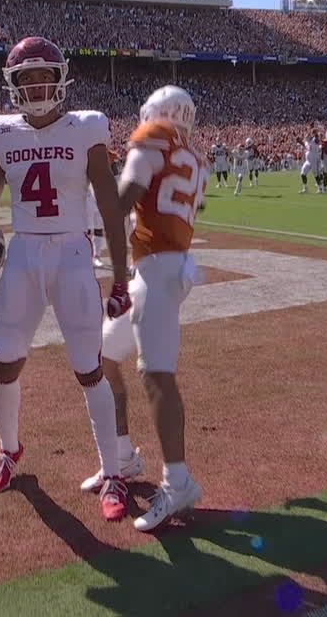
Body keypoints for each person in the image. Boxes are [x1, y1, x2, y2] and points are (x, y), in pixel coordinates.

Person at [0, 36, 134, 521]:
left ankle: (113, 472)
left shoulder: (85, 129)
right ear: (12, 85)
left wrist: (117, 276)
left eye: (42, 77)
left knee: (88, 367)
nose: (34, 87)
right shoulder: (2, 133)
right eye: (25, 79)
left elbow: (110, 206)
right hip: (24, 254)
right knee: (4, 361)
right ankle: (9, 450)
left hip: (72, 251)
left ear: (60, 79)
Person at [88, 85, 207, 531]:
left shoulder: (152, 138)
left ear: (155, 114)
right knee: (103, 357)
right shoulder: (194, 158)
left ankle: (178, 482)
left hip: (158, 272)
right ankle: (122, 456)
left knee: (157, 375)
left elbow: (122, 201)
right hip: (162, 270)